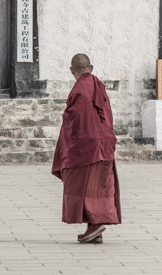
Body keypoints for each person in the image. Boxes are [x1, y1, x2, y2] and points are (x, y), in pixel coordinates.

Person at [51, 54, 121, 244]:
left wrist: (67, 147)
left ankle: (95, 223)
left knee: (82, 184)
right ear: (91, 67)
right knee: (99, 185)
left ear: (71, 70)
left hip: (86, 145)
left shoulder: (80, 89)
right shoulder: (98, 85)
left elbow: (75, 121)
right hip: (105, 142)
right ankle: (94, 230)